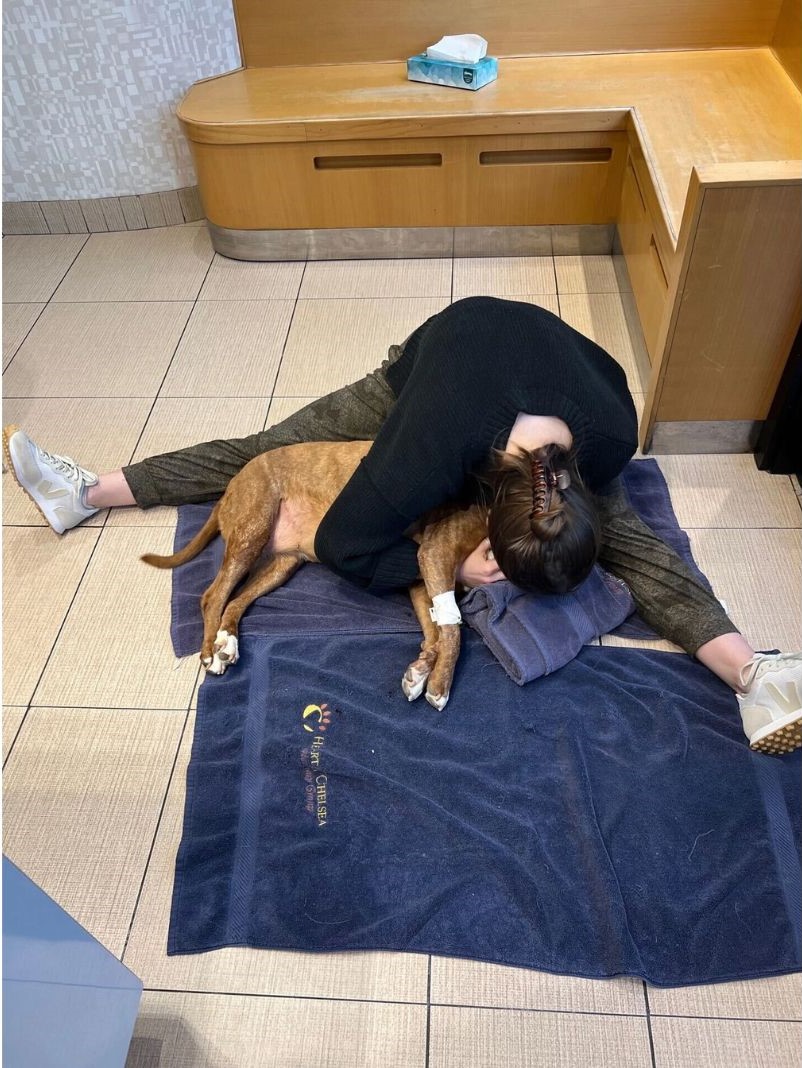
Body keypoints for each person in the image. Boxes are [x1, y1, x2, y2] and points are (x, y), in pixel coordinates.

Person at [4, 296, 801, 754]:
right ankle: (91, 493)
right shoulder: (427, 447)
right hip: (429, 368)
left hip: (533, 364)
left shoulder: (608, 439)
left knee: (637, 542)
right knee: (267, 451)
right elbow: (347, 544)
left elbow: (627, 543)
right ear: (482, 498)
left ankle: (753, 673)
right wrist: (451, 571)